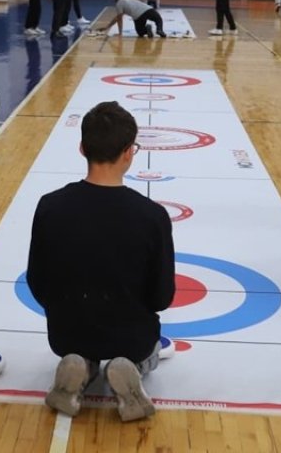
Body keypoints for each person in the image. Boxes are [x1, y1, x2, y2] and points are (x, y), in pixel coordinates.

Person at [27, 101, 175, 422]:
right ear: (128, 153)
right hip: (132, 336)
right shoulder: (152, 216)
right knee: (147, 351)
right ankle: (130, 367)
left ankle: (80, 365)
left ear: (82, 148)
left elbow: (37, 282)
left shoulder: (49, 206)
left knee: (84, 340)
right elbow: (162, 297)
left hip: (67, 332)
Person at [101, 0, 166, 38]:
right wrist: (107, 27)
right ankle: (159, 29)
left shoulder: (119, 4)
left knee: (140, 33)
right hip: (147, 9)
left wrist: (120, 33)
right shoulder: (130, 0)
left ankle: (147, 29)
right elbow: (117, 18)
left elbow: (119, 19)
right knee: (158, 19)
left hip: (138, 16)